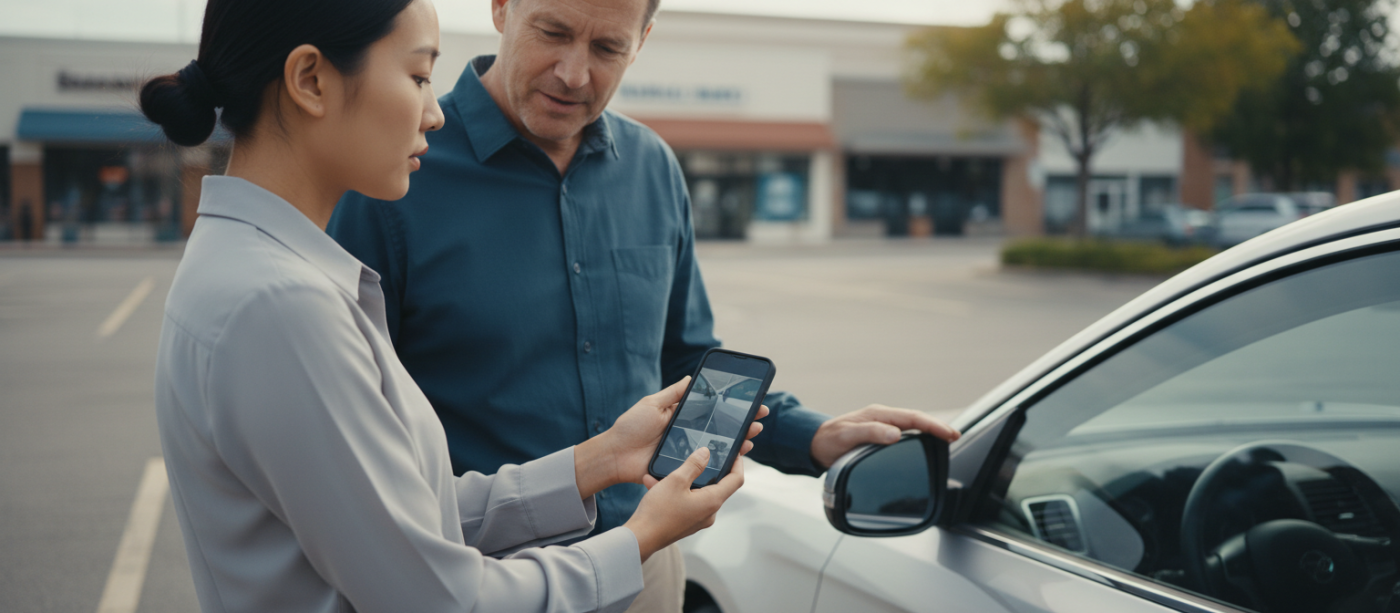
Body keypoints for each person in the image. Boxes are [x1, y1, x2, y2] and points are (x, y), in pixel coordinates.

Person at [327, 0, 961, 609]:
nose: (575, 73)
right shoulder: (396, 170)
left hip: (645, 564)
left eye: (608, 47)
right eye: (552, 31)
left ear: (643, 42)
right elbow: (353, 416)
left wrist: (815, 437)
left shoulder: (653, 166)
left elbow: (687, 360)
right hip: (479, 575)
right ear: (501, 9)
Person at [144, 1, 759, 612]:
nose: (435, 113)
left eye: (606, 48)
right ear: (310, 81)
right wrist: (639, 538)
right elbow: (442, 598)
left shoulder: (253, 270)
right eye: (417, 76)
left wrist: (598, 460)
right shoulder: (280, 307)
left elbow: (407, 521)